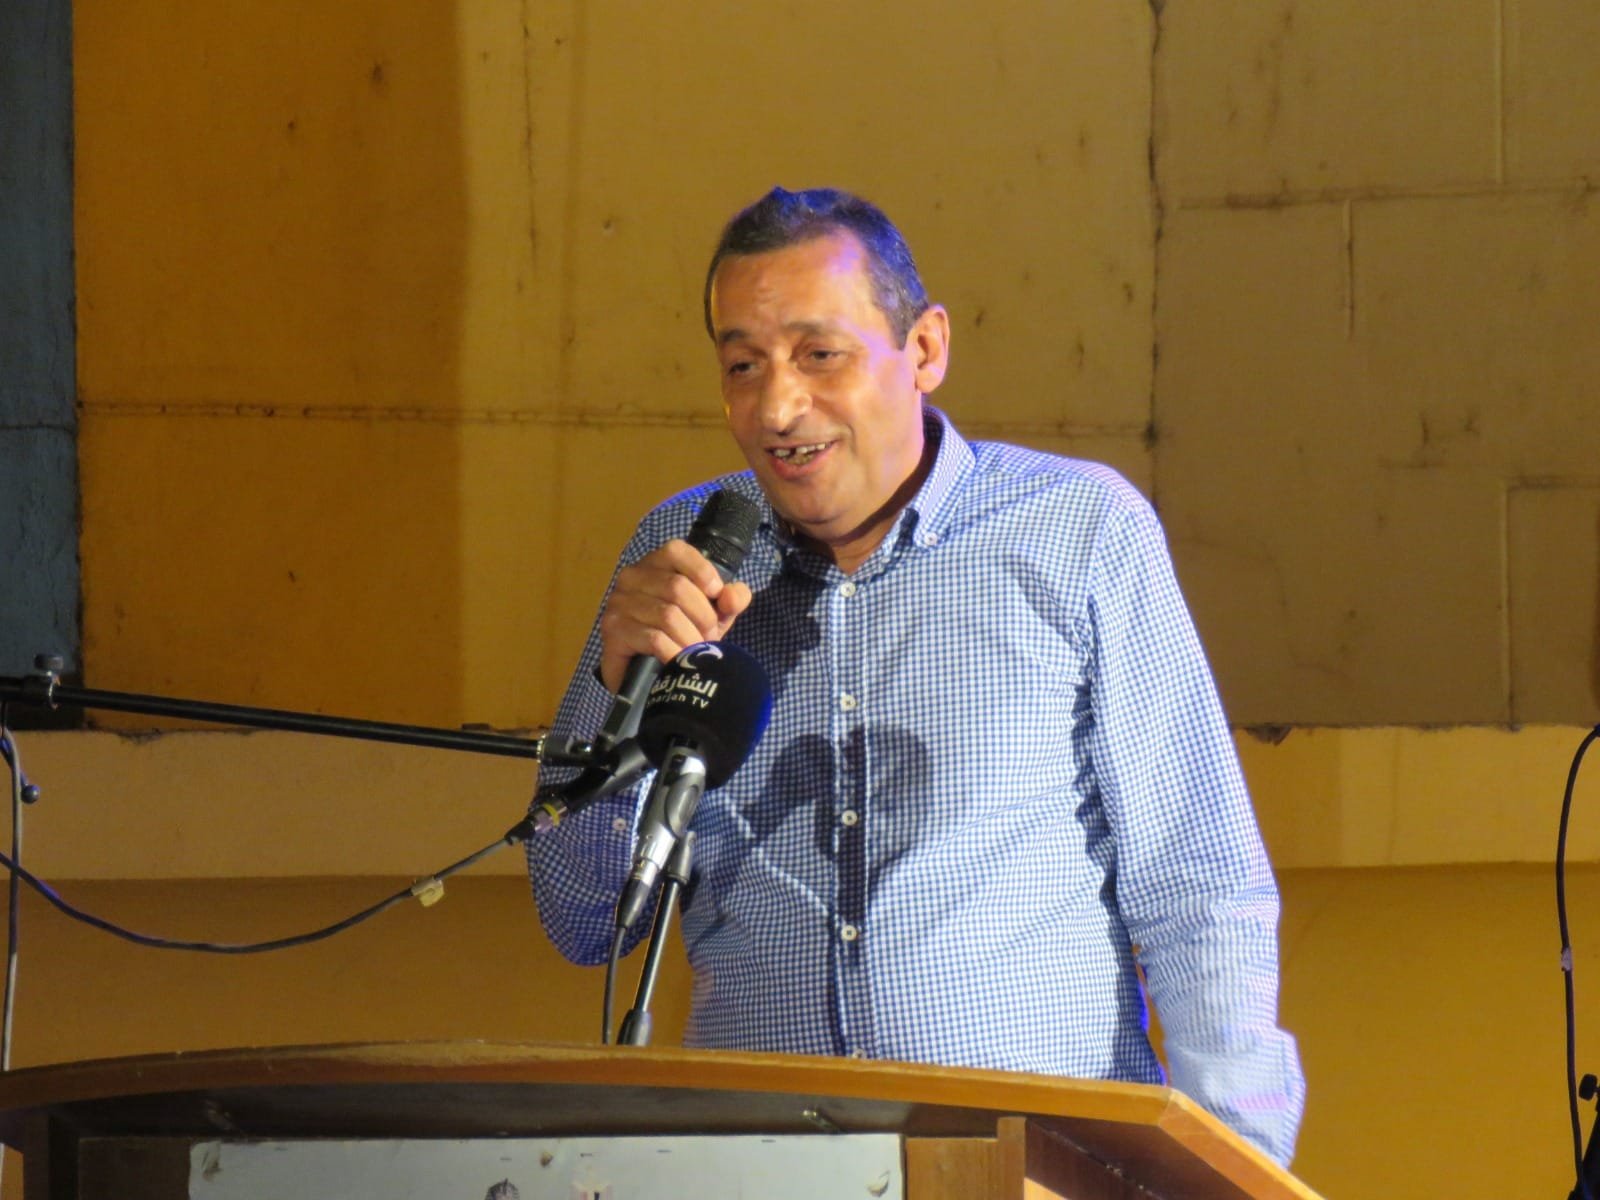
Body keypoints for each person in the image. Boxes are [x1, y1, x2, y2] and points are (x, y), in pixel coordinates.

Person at [526, 186, 1306, 1166]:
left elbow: (1198, 886)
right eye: (742, 365)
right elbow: (583, 919)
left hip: (1034, 1166)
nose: (776, 408)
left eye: (820, 354)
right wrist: (617, 690)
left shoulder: (1078, 531)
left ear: (926, 348)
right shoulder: (684, 550)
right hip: (763, 1168)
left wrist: (1232, 1168)